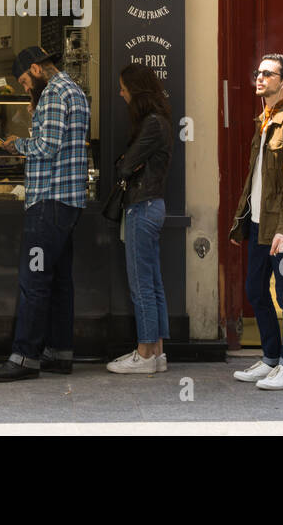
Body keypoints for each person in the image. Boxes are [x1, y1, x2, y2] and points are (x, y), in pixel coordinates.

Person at [0, 46, 91, 382]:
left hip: (47, 202)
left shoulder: (54, 94)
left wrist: (17, 144)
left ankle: (24, 357)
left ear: (35, 68)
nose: (24, 88)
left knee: (33, 279)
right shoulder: (72, 89)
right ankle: (60, 352)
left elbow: (47, 147)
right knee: (59, 280)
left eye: (23, 81)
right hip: (67, 202)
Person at [227, 53, 283, 391]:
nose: (259, 78)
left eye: (267, 74)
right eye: (257, 72)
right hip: (260, 225)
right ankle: (270, 359)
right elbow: (255, 179)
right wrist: (241, 221)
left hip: (281, 230)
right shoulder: (265, 120)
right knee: (254, 291)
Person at [107, 63, 173, 375]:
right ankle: (157, 351)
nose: (121, 94)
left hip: (141, 206)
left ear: (136, 91)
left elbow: (124, 167)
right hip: (152, 205)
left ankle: (145, 352)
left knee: (141, 283)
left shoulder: (151, 124)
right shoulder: (160, 121)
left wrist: (124, 160)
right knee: (154, 282)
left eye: (124, 88)